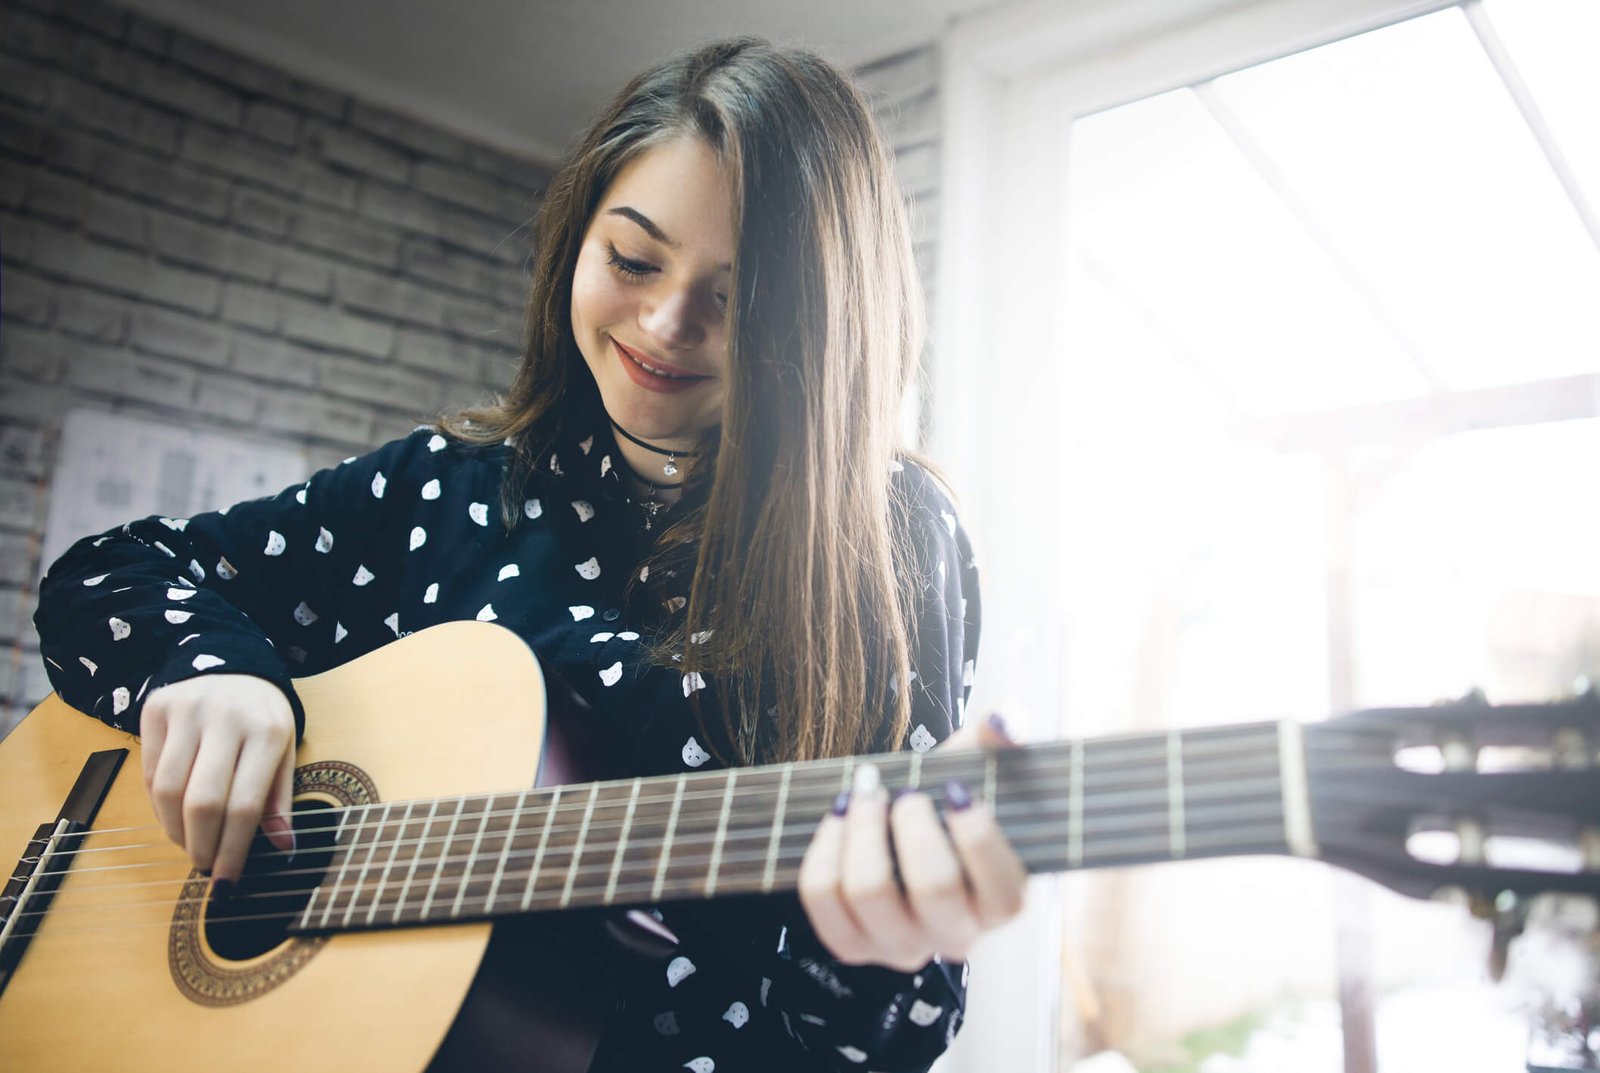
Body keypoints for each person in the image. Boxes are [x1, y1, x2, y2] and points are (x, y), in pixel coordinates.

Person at [34, 37, 1027, 1072]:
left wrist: (885, 943)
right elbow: (107, 573)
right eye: (633, 259)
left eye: (735, 298)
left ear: (821, 325)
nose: (664, 321)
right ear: (576, 243)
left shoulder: (888, 534)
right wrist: (208, 670)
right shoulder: (445, 482)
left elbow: (883, 1035)